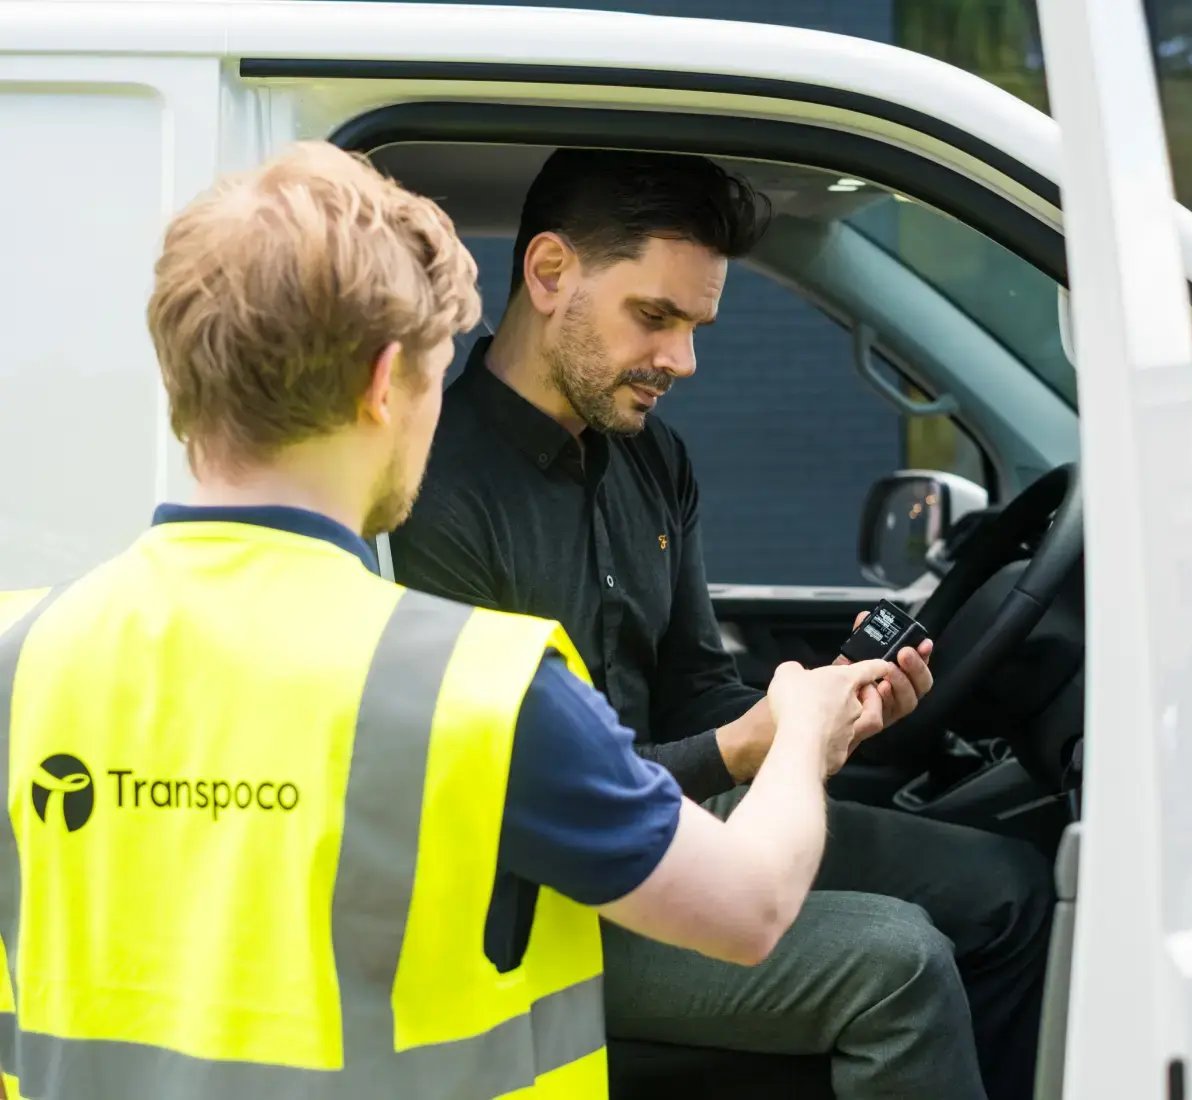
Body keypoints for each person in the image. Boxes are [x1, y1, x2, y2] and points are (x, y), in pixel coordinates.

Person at [0, 142, 901, 1100]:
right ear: (388, 383)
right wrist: (799, 733)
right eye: (437, 376)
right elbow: (753, 906)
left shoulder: (24, 657)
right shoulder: (475, 692)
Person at [391, 148, 1055, 1100]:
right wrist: (744, 749)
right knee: (896, 963)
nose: (682, 362)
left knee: (1008, 887)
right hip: (553, 896)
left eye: (697, 325)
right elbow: (511, 803)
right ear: (548, 274)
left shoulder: (650, 455)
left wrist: (824, 713)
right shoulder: (438, 493)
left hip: (688, 821)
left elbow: (698, 685)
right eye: (654, 318)